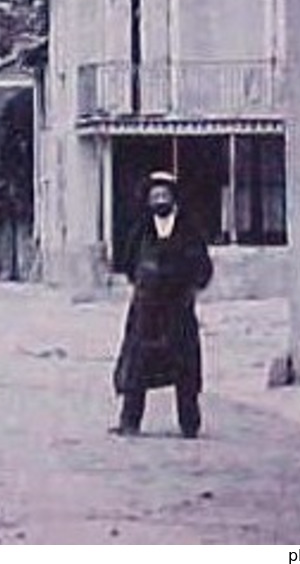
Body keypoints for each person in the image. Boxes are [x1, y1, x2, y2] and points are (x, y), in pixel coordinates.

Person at [111, 171, 214, 439]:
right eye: (154, 196)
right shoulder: (141, 231)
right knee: (137, 365)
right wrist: (146, 283)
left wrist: (188, 285)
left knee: (185, 367)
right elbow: (129, 265)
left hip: (178, 309)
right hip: (146, 310)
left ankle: (189, 424)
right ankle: (130, 421)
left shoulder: (189, 229)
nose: (159, 201)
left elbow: (202, 266)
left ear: (173, 199)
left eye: (164, 196)